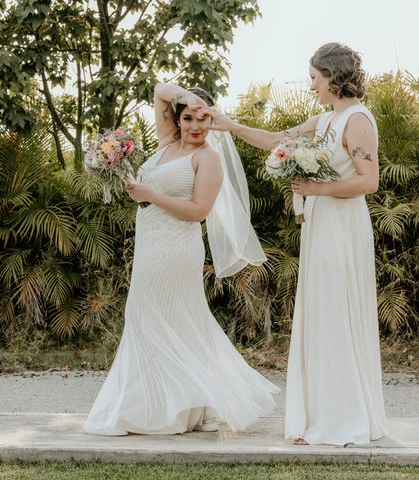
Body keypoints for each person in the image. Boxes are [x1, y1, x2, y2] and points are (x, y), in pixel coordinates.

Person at [209, 42, 388, 445]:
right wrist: (230, 125)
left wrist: (315, 187)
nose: (310, 85)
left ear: (333, 75)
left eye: (313, 77)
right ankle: (320, 416)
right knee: (321, 311)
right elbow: (275, 137)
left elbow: (368, 181)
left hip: (342, 226)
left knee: (337, 309)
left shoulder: (357, 121)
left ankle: (342, 418)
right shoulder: (324, 120)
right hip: (321, 224)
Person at [83, 82, 278, 436]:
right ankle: (192, 406)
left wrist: (151, 195)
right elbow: (159, 90)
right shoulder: (167, 144)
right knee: (171, 321)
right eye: (188, 117)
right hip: (149, 245)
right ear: (178, 118)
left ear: (212, 123)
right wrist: (188, 97)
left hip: (176, 249)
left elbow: (198, 211)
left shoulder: (208, 158)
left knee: (155, 318)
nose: (195, 126)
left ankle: (158, 411)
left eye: (202, 120)